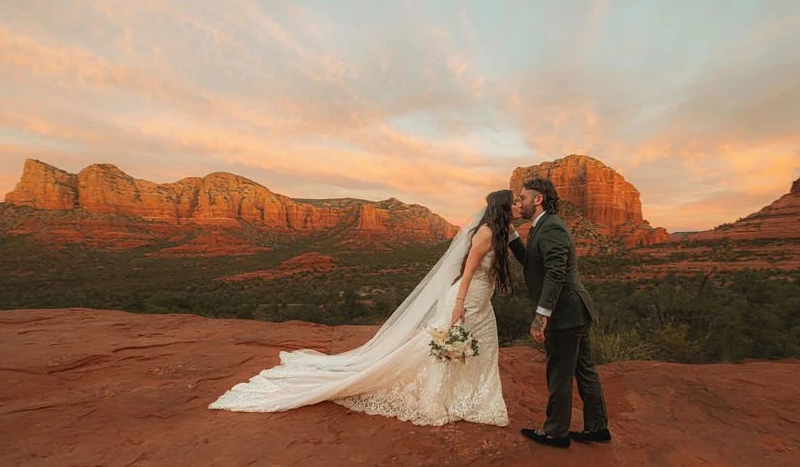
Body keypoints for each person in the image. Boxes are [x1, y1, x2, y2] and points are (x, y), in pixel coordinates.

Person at [209, 189, 520, 427]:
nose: (519, 205)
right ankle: (446, 397)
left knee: (483, 348)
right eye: (515, 202)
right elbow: (466, 272)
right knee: (443, 348)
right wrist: (459, 306)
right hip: (466, 300)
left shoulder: (502, 232)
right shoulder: (486, 234)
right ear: (504, 207)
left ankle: (475, 396)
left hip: (483, 303)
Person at [508, 177, 611, 448]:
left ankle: (555, 432)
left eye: (523, 198)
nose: (519, 203)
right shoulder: (541, 227)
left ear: (538, 199)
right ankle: (597, 428)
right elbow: (533, 263)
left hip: (565, 314)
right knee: (584, 369)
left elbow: (555, 272)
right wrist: (510, 235)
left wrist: (542, 316)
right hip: (575, 310)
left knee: (560, 373)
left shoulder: (551, 227)